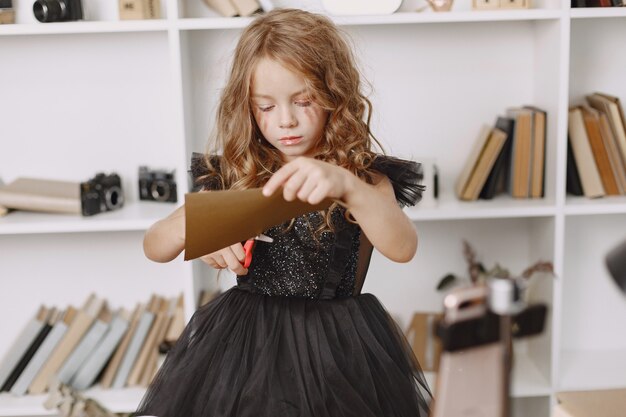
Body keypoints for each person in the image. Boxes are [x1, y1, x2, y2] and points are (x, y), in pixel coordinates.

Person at [135, 8, 431, 417]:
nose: (286, 120)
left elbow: (403, 247)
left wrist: (347, 187)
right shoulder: (237, 172)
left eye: (303, 100)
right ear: (246, 107)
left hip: (339, 354)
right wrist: (200, 231)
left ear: (334, 95)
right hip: (246, 349)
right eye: (266, 107)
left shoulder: (361, 177)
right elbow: (154, 245)